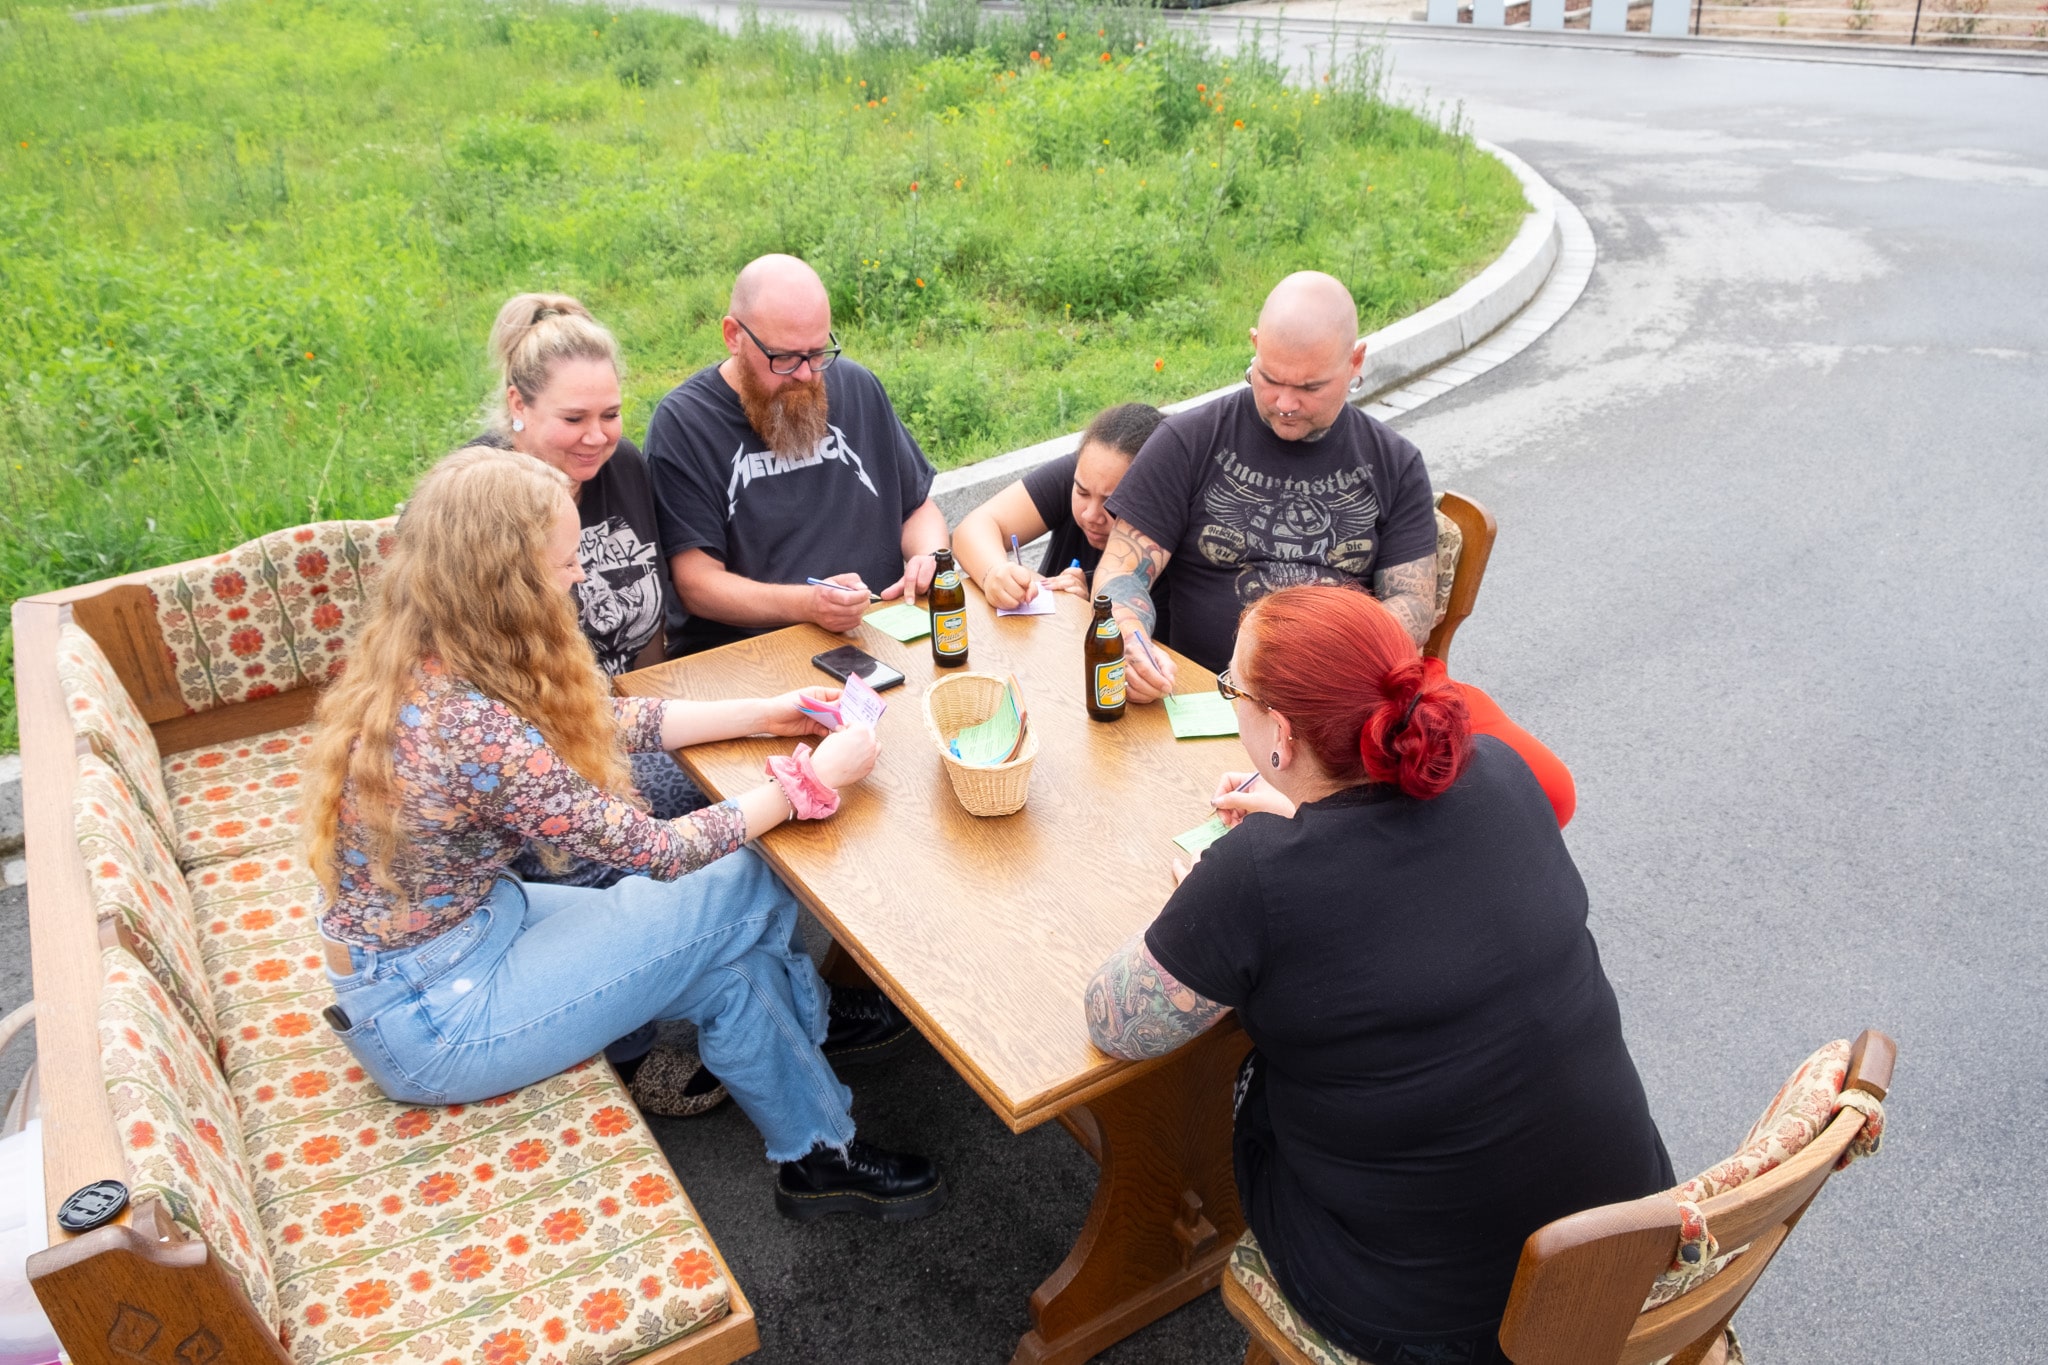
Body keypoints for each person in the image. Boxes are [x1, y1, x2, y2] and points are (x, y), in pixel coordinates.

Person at [304, 446, 946, 1223]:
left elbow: (597, 720)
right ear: (506, 581)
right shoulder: (467, 726)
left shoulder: (440, 652)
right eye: (566, 561)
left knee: (722, 957)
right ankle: (814, 1019)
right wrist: (815, 779)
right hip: (438, 1012)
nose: (579, 576)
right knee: (748, 879)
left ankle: (820, 1157)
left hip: (454, 941)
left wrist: (764, 709)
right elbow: (660, 851)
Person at [1085, 585, 1669, 1362]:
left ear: (1280, 737)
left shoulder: (1254, 877)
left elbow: (1115, 1022)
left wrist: (1209, 890)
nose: (1231, 704)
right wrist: (1303, 820)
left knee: (1257, 1090)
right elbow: (1398, 878)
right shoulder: (1499, 770)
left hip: (1437, 1317)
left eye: (1233, 689)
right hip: (1623, 1240)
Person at [1094, 271, 1441, 703]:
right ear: (1255, 345)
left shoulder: (1395, 462)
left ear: (1356, 361)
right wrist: (1128, 640)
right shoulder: (1189, 442)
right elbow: (1121, 570)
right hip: (1199, 697)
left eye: (1310, 386)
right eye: (1271, 378)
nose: (1286, 404)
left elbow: (1411, 603)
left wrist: (1327, 665)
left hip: (1328, 707)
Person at [645, 254, 952, 655]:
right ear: (733, 336)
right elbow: (697, 584)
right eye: (785, 358)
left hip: (881, 633)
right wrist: (808, 606)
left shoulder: (858, 387)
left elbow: (917, 508)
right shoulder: (685, 424)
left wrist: (927, 558)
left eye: (818, 352)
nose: (806, 375)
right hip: (752, 656)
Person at [952, 403, 1166, 610]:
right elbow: (973, 528)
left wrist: (1087, 610)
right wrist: (993, 573)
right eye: (1082, 492)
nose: (1091, 514)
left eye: (1112, 503)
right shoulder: (1087, 470)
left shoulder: (1174, 542)